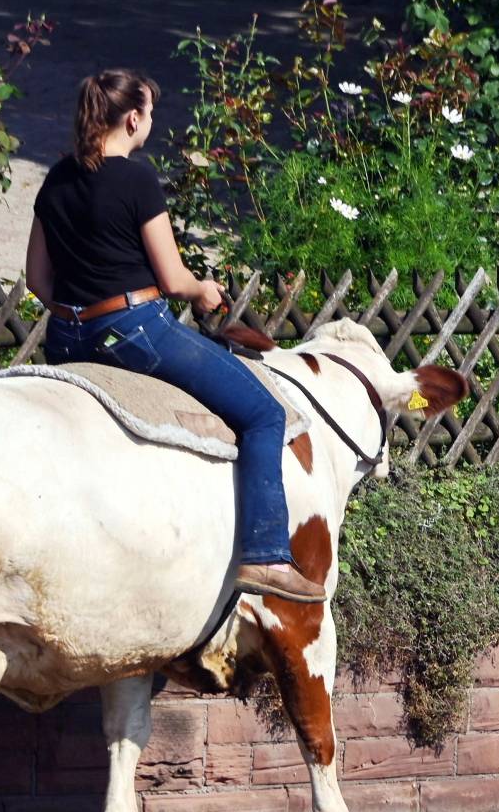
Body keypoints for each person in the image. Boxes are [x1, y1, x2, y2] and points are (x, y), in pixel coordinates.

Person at [26, 69, 326, 604]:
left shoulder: (55, 181)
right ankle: (266, 557)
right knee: (264, 413)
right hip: (135, 330)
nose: (151, 125)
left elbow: (37, 280)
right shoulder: (136, 179)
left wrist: (81, 312)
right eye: (150, 115)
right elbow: (172, 278)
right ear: (133, 118)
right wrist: (203, 290)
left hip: (66, 337)